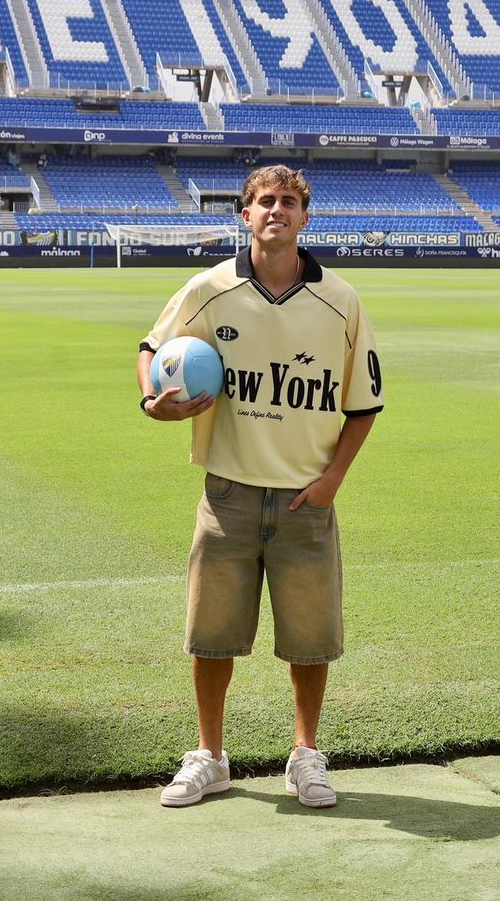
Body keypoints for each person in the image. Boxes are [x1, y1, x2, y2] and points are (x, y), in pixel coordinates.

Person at [136, 164, 383, 810]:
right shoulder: (209, 289)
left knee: (311, 637)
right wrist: (150, 401)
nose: (276, 209)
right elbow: (152, 348)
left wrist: (331, 481)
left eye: (290, 201)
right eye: (264, 200)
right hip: (230, 494)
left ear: (306, 217)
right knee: (210, 634)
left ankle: (306, 754)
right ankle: (210, 756)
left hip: (305, 498)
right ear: (244, 214)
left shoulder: (343, 302)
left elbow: (364, 405)